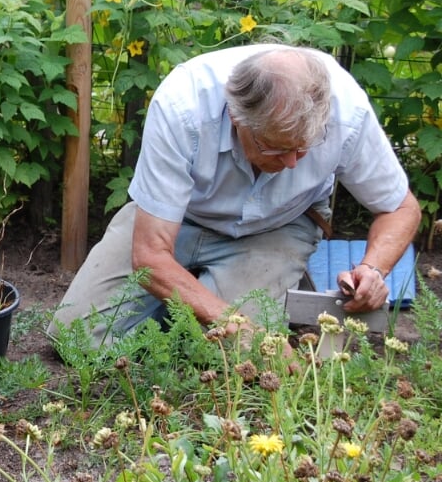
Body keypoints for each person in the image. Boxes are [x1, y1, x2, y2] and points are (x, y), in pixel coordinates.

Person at [48, 44, 421, 347]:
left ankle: (187, 305)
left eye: (305, 148)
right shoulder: (183, 106)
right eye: (277, 148)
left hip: (277, 226)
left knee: (224, 357)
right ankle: (193, 298)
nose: (292, 162)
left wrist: (373, 269)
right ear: (237, 118)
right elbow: (149, 256)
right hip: (177, 220)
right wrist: (234, 321)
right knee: (75, 341)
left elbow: (401, 208)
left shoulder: (346, 110)